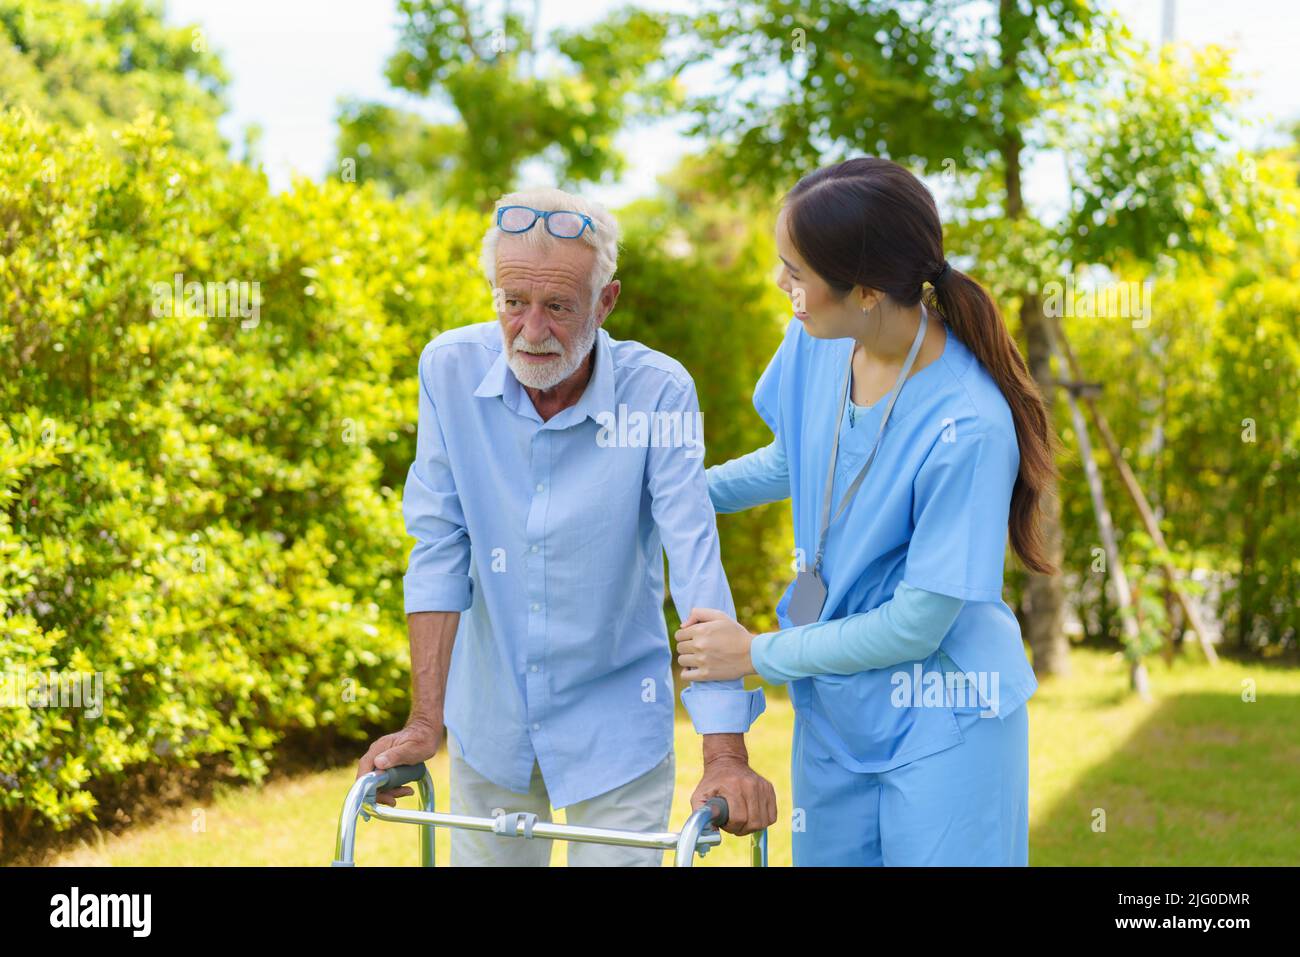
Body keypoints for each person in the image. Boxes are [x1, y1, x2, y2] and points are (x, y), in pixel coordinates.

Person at [356, 187, 776, 866]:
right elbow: (437, 545)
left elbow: (696, 562)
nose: (531, 329)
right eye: (513, 302)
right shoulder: (447, 370)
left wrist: (724, 750)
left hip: (617, 721)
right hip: (489, 719)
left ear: (605, 302)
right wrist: (424, 720)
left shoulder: (658, 391)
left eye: (558, 306)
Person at [674, 157, 1056, 866]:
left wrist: (755, 653)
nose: (781, 283)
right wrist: (670, 495)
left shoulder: (967, 424)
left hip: (946, 720)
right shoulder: (818, 342)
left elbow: (918, 622)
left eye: (796, 271)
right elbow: (796, 459)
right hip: (836, 715)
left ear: (869, 290)